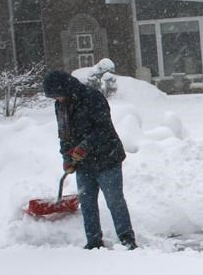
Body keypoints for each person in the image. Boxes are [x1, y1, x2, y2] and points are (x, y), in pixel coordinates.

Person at [43, 70, 137, 250]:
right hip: (83, 163)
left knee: (114, 200)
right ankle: (93, 242)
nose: (56, 99)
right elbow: (64, 134)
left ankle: (127, 240)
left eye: (57, 95)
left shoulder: (92, 98)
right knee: (87, 203)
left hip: (107, 157)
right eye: (53, 97)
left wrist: (83, 147)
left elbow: (103, 129)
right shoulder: (60, 106)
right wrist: (66, 157)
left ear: (65, 88)